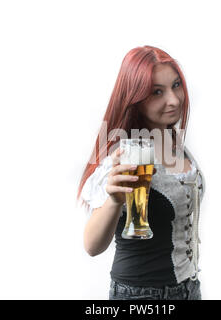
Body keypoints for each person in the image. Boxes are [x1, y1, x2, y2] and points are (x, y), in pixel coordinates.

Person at [77, 45, 206, 300]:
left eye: (176, 85)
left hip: (189, 290)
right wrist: (114, 200)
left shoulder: (175, 143)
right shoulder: (124, 154)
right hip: (140, 295)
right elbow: (92, 246)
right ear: (135, 98)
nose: (174, 99)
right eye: (157, 92)